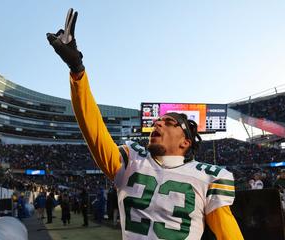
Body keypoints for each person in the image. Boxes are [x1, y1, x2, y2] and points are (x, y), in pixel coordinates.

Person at [47, 9, 244, 239]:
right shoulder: (133, 159)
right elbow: (95, 132)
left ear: (185, 142)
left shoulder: (209, 176)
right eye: (157, 121)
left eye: (168, 123)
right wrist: (78, 71)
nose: (157, 124)